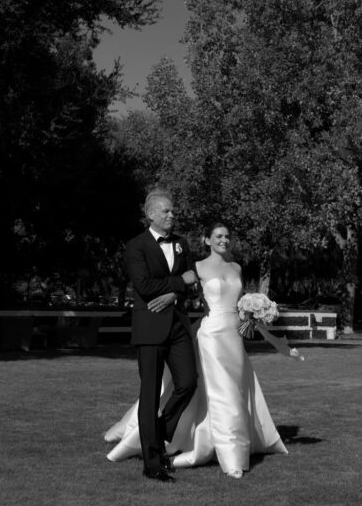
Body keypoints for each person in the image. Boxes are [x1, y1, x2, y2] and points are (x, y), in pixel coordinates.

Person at [105, 221, 288, 478]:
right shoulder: (198, 267)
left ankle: (228, 440)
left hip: (234, 336)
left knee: (236, 388)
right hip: (211, 335)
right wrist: (171, 295)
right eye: (218, 236)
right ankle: (230, 453)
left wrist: (253, 311)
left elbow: (236, 301)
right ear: (207, 240)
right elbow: (185, 290)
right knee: (218, 391)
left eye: (227, 236)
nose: (224, 240)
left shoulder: (237, 267)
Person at [120, 189, 200, 482]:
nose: (172, 215)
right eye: (166, 211)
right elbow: (143, 286)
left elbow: (194, 282)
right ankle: (153, 464)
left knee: (189, 382)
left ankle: (160, 430)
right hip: (150, 328)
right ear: (150, 214)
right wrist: (178, 284)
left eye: (173, 211)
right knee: (150, 394)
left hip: (179, 326)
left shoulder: (181, 244)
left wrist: (172, 294)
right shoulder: (135, 246)